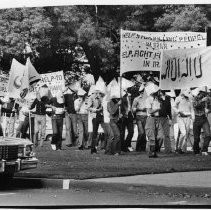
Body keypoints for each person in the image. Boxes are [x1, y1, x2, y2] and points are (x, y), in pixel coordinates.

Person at [145, 83, 164, 158]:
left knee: (160, 136)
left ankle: (155, 150)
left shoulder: (158, 99)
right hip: (151, 118)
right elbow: (149, 111)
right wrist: (157, 109)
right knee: (152, 136)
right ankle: (152, 152)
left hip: (158, 118)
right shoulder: (148, 99)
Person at [173, 89, 194, 154]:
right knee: (183, 133)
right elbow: (173, 106)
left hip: (188, 117)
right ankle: (179, 148)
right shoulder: (178, 98)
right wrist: (178, 111)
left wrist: (193, 118)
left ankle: (183, 149)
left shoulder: (190, 98)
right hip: (180, 117)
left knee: (186, 134)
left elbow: (192, 109)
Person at [192, 87, 211, 156]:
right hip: (197, 118)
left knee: (208, 134)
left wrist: (208, 110)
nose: (205, 94)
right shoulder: (195, 98)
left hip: (204, 118)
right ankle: (196, 150)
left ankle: (204, 150)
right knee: (196, 137)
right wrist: (202, 100)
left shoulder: (208, 99)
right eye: (203, 93)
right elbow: (195, 105)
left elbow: (209, 107)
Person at [88, 87, 105, 154]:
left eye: (99, 92)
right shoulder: (91, 98)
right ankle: (93, 149)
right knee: (94, 133)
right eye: (96, 92)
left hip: (101, 116)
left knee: (104, 131)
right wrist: (96, 110)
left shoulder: (101, 97)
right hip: (95, 116)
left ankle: (103, 146)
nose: (98, 93)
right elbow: (88, 108)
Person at [132, 84, 147, 152]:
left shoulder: (147, 98)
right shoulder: (136, 99)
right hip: (139, 116)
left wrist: (146, 109)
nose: (142, 93)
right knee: (141, 132)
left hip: (146, 116)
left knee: (144, 133)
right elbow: (133, 109)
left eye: (143, 91)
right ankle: (138, 147)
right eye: (141, 91)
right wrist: (139, 109)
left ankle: (143, 148)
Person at [107, 90, 122, 155]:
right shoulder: (110, 102)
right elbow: (112, 112)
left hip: (118, 120)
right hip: (113, 121)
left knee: (116, 136)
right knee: (117, 135)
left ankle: (111, 151)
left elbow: (122, 110)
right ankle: (115, 151)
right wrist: (117, 104)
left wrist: (122, 114)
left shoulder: (119, 102)